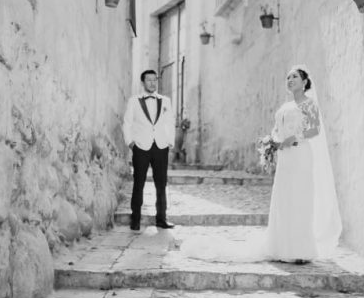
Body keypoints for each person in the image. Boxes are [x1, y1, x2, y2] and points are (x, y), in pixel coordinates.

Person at [181, 65, 341, 262]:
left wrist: (294, 138)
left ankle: (300, 249)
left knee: (300, 198)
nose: (290, 80)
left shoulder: (309, 104)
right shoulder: (285, 106)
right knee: (284, 198)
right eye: (288, 77)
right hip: (286, 157)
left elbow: (315, 130)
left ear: (305, 82)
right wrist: (272, 142)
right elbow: (277, 129)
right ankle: (281, 246)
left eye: (294, 77)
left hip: (301, 155)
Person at [123, 69, 176, 231]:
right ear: (143, 82)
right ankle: (135, 220)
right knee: (138, 184)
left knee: (161, 184)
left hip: (160, 147)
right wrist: (130, 143)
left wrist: (170, 142)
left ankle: (161, 219)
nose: (152, 83)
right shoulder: (134, 101)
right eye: (149, 80)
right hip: (141, 147)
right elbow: (127, 123)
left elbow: (170, 121)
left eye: (155, 80)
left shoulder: (165, 100)